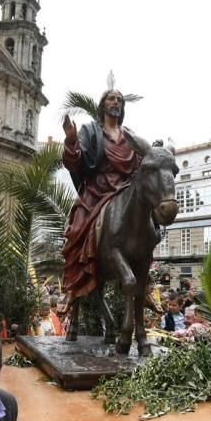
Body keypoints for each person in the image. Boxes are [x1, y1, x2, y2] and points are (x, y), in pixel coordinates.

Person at [60, 89, 141, 304]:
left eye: (120, 100)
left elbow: (140, 168)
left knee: (149, 225)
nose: (116, 102)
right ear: (103, 105)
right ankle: (73, 287)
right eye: (111, 99)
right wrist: (71, 141)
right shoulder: (91, 131)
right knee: (78, 225)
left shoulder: (130, 136)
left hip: (125, 191)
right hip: (98, 191)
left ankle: (146, 285)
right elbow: (75, 162)